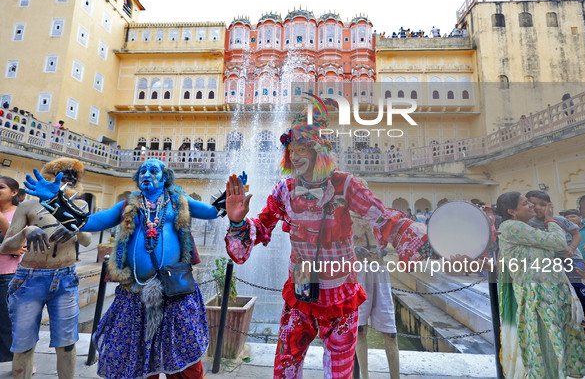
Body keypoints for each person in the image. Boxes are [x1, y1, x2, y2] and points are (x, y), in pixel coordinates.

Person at [224, 98, 429, 378]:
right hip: (301, 292)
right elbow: (260, 228)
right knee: (285, 370)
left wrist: (430, 244)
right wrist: (236, 220)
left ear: (319, 151)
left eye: (303, 148)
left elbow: (384, 220)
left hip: (341, 296)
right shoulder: (285, 190)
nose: (295, 156)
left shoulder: (345, 186)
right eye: (292, 149)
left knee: (339, 374)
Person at [24, 158, 221, 379]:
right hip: (133, 292)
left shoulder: (178, 201)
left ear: (165, 177)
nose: (147, 173)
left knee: (184, 359)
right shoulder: (128, 204)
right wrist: (54, 200)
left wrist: (229, 202)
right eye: (143, 170)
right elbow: (88, 222)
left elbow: (213, 212)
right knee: (137, 358)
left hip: (174, 292)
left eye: (153, 170)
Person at [0, 159, 92, 379]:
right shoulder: (28, 206)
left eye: (72, 175)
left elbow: (87, 240)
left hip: (65, 278)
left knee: (67, 344)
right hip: (29, 279)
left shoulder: (80, 206)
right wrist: (26, 231)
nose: (68, 178)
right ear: (49, 176)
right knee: (23, 344)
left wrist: (74, 226)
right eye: (62, 173)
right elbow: (5, 246)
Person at [496, 192, 585, 378]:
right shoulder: (511, 227)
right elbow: (557, 241)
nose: (531, 206)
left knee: (555, 344)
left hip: (551, 294)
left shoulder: (526, 229)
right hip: (539, 296)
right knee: (546, 344)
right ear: (512, 211)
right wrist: (550, 219)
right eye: (526, 204)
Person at [351, 179, 399, 379]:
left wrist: (384, 250)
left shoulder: (379, 215)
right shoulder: (345, 216)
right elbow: (336, 245)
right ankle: (364, 377)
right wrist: (354, 250)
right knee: (360, 330)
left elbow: (390, 244)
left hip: (379, 271)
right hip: (358, 272)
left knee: (390, 332)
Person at [0, 176, 25, 365]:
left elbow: (16, 244)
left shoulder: (20, 215)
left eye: (0, 188)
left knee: (8, 321)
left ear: (14, 193)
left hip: (9, 274)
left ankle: (20, 361)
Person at [564, 209, 585, 290]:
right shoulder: (564, 232)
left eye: (572, 217)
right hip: (574, 263)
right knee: (582, 287)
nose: (570, 219)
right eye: (567, 218)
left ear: (580, 217)